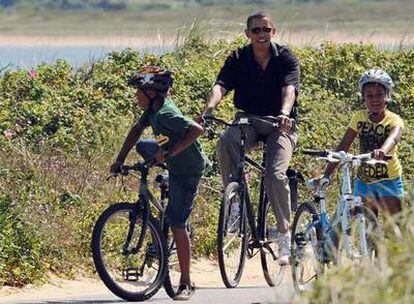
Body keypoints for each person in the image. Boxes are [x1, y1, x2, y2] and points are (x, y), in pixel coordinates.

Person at [201, 11, 300, 265]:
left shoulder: (285, 57)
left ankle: (284, 233)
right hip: (249, 120)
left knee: (274, 175)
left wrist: (284, 113)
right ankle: (234, 202)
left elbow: (289, 89)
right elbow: (220, 85)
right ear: (247, 34)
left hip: (281, 124)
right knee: (226, 142)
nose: (261, 35)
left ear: (273, 32)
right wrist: (209, 110)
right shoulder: (238, 57)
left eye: (266, 30)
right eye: (256, 30)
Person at [111, 66, 206, 301]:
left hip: (188, 169)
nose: (136, 96)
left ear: (152, 92)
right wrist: (119, 159)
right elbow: (136, 131)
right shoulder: (152, 109)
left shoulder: (165, 113)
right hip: (172, 160)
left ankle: (185, 282)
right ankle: (163, 175)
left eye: (139, 91)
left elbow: (196, 130)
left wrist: (170, 153)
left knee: (176, 222)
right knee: (144, 145)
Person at [320, 68, 404, 217]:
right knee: (368, 229)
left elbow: (393, 138)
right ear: (363, 98)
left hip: (389, 181)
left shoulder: (394, 119)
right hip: (364, 182)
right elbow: (343, 146)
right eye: (369, 96)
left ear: (387, 96)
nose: (375, 99)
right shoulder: (359, 117)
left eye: (379, 94)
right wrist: (327, 174)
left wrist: (383, 151)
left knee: (394, 229)